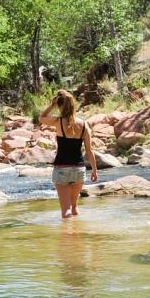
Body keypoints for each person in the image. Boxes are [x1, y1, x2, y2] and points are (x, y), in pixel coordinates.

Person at [37, 90, 98, 218]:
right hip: (79, 169)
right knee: (74, 208)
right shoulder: (84, 124)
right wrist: (94, 170)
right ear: (74, 105)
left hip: (61, 168)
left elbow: (41, 118)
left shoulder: (58, 122)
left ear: (60, 105)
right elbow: (89, 150)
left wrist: (52, 105)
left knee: (66, 211)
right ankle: (77, 234)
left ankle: (68, 236)